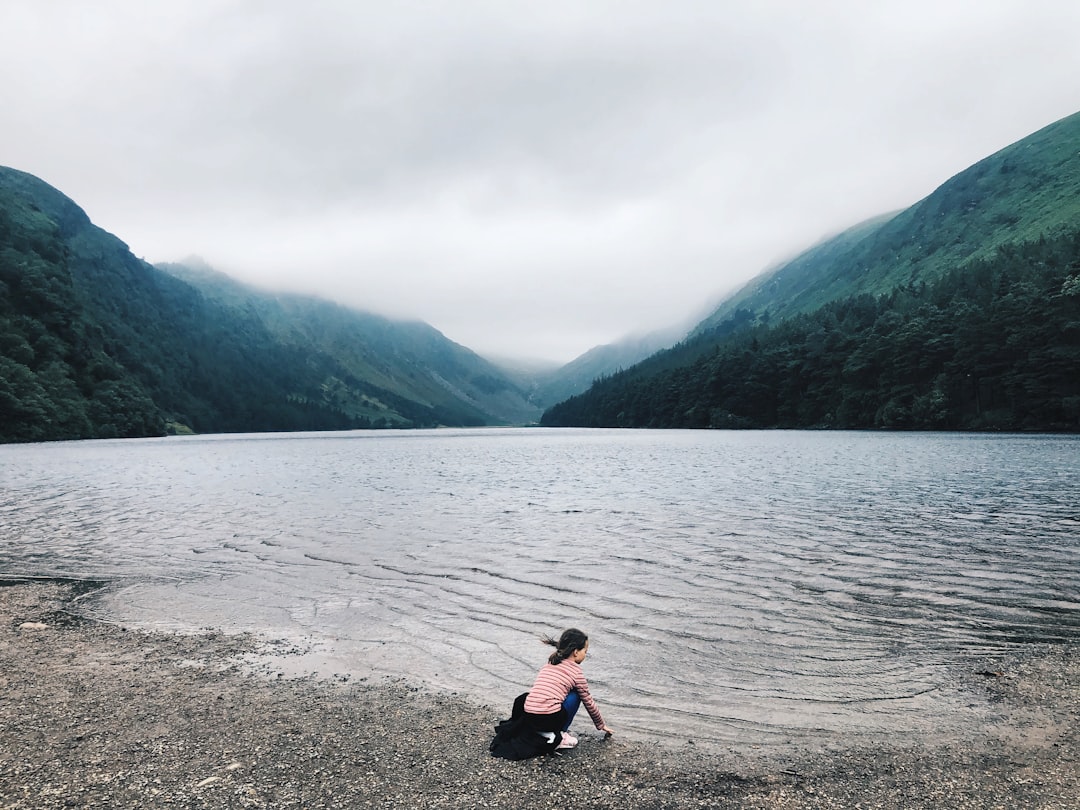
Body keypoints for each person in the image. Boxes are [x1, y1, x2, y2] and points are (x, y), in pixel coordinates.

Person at [490, 628, 614, 759]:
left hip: (530, 715)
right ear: (576, 652)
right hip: (548, 719)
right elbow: (588, 701)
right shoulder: (577, 673)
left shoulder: (549, 664)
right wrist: (601, 725)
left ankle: (542, 731)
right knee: (577, 695)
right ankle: (561, 734)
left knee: (549, 692)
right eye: (585, 651)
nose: (585, 655)